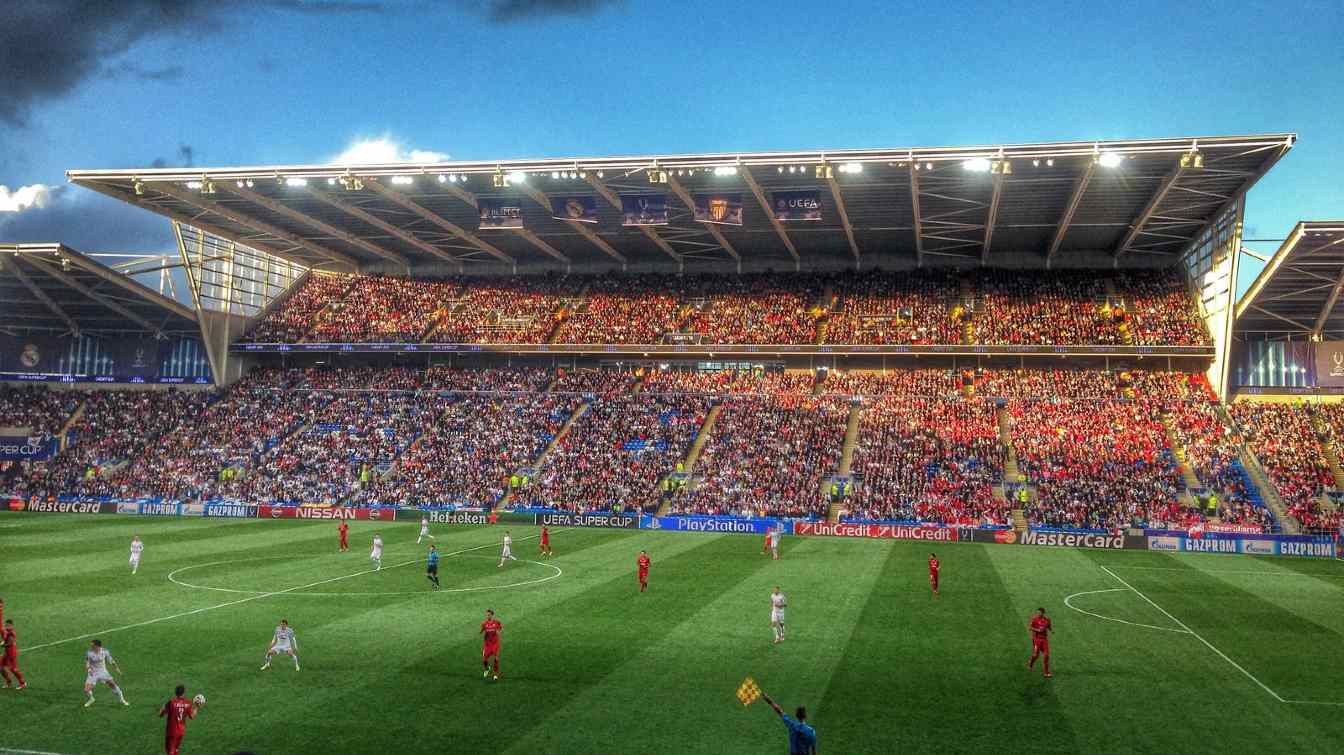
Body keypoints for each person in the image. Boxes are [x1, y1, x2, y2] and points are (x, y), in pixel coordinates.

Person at [83, 639, 128, 707]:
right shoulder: (89, 653)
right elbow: (87, 662)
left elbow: (111, 661)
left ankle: (122, 700)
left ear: (97, 646)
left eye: (92, 645)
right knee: (86, 690)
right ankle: (91, 699)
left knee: (113, 685)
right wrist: (89, 669)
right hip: (93, 673)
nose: (91, 647)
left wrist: (117, 669)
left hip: (103, 672)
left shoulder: (104, 651)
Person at [159, 684, 200, 755]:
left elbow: (161, 715)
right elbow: (192, 716)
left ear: (175, 692)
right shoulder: (188, 703)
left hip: (172, 732)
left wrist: (162, 708)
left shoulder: (171, 702)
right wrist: (197, 707)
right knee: (175, 750)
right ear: (184, 693)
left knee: (170, 752)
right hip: (181, 732)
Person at [1027, 607, 1053, 678]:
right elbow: (1030, 627)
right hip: (1036, 640)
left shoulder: (1047, 620)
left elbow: (1048, 626)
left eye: (1039, 613)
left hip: (1044, 640)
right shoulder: (1034, 619)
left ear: (1043, 613)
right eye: (1037, 612)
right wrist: (1037, 630)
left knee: (1046, 655)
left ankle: (1046, 672)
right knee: (1036, 655)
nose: (1038, 614)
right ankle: (1030, 663)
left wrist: (1051, 630)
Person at [1, 619, 25, 690]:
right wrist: (3, 642)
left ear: (12, 626)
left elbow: (10, 643)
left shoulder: (11, 633)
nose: (6, 627)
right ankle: (8, 681)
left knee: (13, 669)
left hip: (12, 653)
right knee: (1, 667)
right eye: (6, 625)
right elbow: (5, 639)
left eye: (8, 626)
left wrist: (3, 644)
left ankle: (23, 683)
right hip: (6, 653)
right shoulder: (6, 632)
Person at [480, 609, 502, 681]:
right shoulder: (484, 623)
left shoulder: (497, 622)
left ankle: (495, 674)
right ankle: (487, 669)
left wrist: (498, 632)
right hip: (487, 645)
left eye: (489, 615)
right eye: (487, 615)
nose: (488, 616)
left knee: (496, 659)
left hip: (495, 644)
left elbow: (499, 629)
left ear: (492, 615)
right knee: (484, 660)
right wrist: (482, 632)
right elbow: (482, 630)